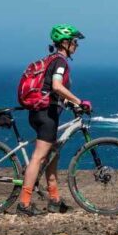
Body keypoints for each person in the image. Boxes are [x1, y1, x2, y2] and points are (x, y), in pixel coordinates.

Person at [17, 24, 91, 216]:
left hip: (42, 112)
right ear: (64, 43)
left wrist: (70, 104)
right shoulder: (60, 62)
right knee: (39, 157)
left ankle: (54, 199)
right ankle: (24, 203)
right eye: (74, 41)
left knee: (53, 154)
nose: (76, 45)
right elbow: (57, 87)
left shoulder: (52, 60)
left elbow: (51, 89)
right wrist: (79, 101)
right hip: (46, 114)